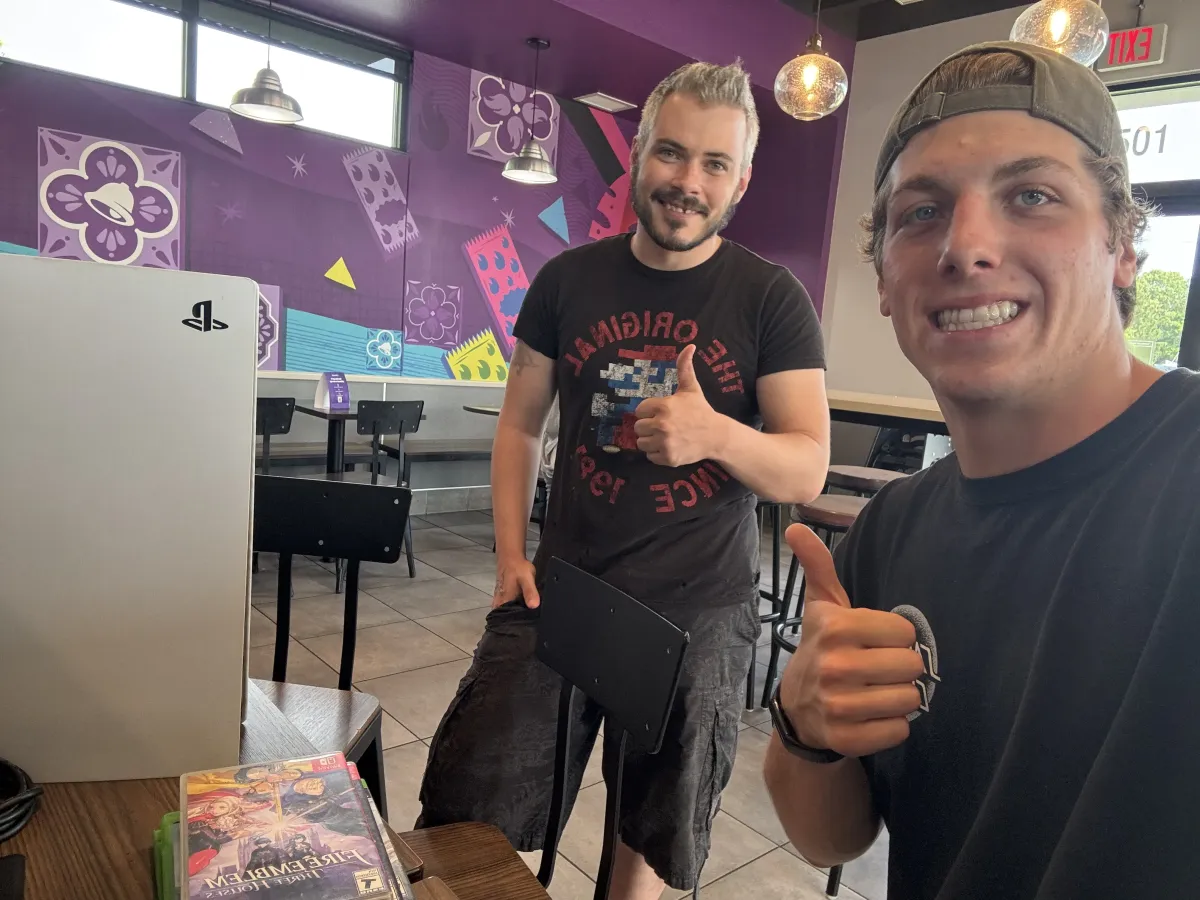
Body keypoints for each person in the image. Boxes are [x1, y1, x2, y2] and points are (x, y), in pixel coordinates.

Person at [763, 41, 1200, 898]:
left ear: (1121, 247)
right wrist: (806, 725)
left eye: (1031, 196)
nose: (965, 246)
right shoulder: (892, 532)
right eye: (922, 212)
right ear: (883, 280)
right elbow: (832, 838)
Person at [418, 60, 831, 898]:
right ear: (638, 154)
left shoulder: (772, 299)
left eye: (714, 164)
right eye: (671, 153)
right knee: (468, 808)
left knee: (647, 832)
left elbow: (807, 463)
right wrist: (510, 555)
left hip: (699, 609)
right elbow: (520, 424)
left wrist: (715, 434)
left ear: (741, 180)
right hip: (563, 588)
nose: (688, 183)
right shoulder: (566, 281)